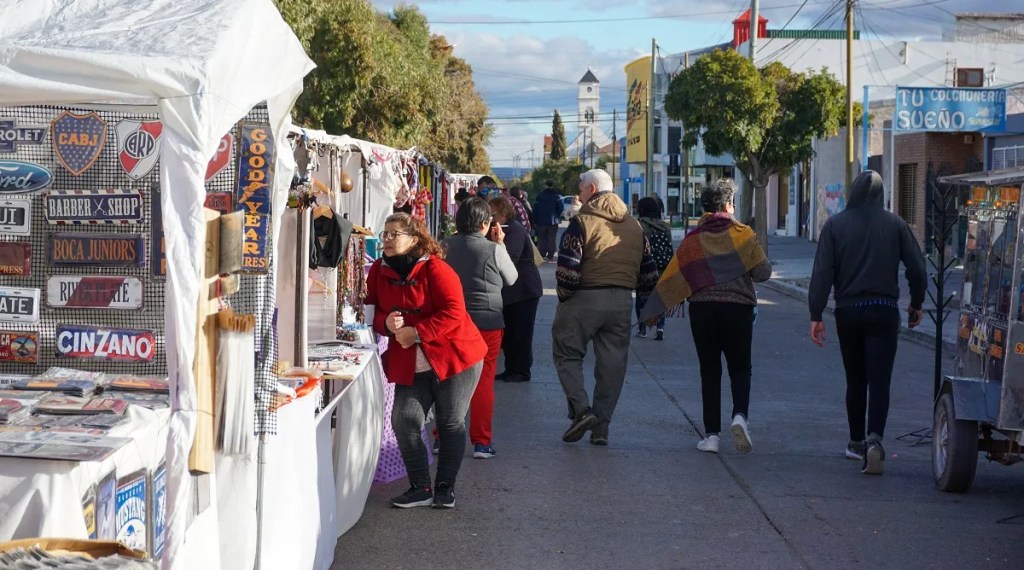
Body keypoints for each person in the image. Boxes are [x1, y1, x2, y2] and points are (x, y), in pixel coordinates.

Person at [640, 179, 771, 455]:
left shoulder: (693, 238)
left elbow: (677, 275)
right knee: (740, 368)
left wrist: (653, 309)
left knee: (709, 370)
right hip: (738, 310)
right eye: (733, 202)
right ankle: (739, 417)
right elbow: (763, 273)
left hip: (703, 311)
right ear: (726, 205)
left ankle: (711, 436)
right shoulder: (743, 234)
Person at [808, 170, 926, 475]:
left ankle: (856, 442)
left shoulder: (835, 225)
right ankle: (875, 439)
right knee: (880, 380)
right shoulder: (896, 224)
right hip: (884, 310)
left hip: (848, 311)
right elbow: (917, 267)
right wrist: (916, 303)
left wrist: (816, 313)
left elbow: (822, 273)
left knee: (856, 379)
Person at [365, 213, 487, 508]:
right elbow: (372, 312)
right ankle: (420, 487)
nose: (388, 240)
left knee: (450, 422)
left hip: (454, 358)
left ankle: (445, 488)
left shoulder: (436, 269)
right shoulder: (379, 270)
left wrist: (415, 332)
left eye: (395, 234)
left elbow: (454, 312)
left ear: (415, 238)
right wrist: (387, 324)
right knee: (404, 420)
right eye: (385, 234)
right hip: (412, 363)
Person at [553, 169, 660, 446]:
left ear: (591, 189)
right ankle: (601, 427)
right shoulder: (635, 226)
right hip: (622, 301)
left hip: (584, 298)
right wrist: (648, 307)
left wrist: (566, 298)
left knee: (567, 354)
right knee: (613, 365)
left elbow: (568, 269)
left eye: (581, 187)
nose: (578, 192)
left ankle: (581, 410)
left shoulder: (582, 222)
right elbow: (649, 272)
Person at [442, 198, 518, 460]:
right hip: (487, 322)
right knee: (484, 380)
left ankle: (442, 437)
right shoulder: (493, 249)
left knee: (449, 377)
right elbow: (512, 278)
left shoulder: (444, 246)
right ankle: (481, 443)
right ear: (486, 224)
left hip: (451, 322)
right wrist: (501, 245)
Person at [489, 195, 543, 383]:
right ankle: (512, 368)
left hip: (524, 290)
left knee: (521, 332)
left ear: (502, 212)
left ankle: (521, 370)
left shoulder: (514, 230)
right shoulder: (506, 228)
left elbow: (510, 258)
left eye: (492, 212)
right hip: (513, 292)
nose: (490, 216)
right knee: (510, 332)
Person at [634, 196, 674, 340]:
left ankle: (642, 328)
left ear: (641, 209)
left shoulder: (639, 225)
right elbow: (669, 247)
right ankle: (660, 327)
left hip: (645, 267)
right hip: (663, 267)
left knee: (642, 297)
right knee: (659, 298)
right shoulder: (665, 226)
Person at [533, 180, 564, 261]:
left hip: (541, 221)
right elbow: (561, 208)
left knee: (541, 238)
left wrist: (535, 220)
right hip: (553, 221)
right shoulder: (556, 196)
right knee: (551, 238)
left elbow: (535, 209)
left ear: (545, 186)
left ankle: (542, 254)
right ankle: (550, 255)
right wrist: (557, 216)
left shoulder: (539, 196)